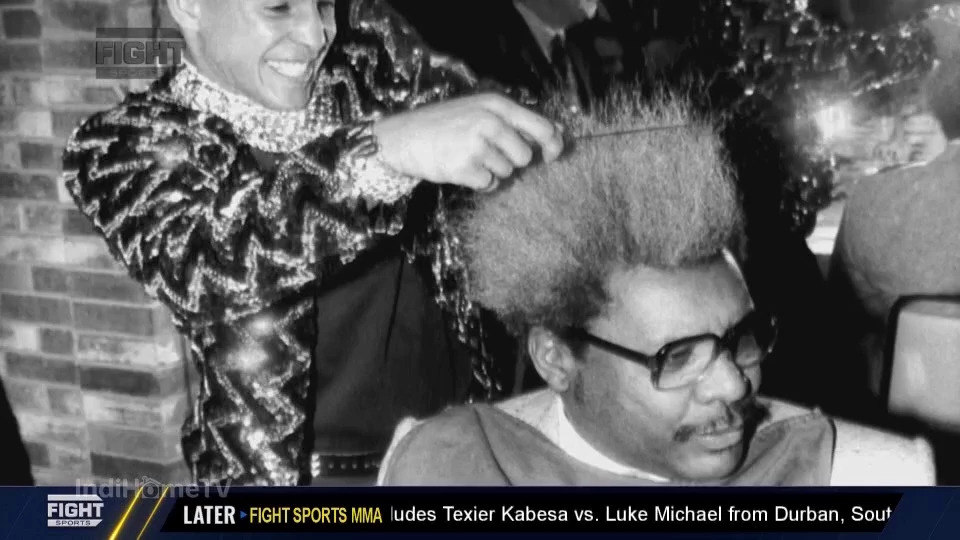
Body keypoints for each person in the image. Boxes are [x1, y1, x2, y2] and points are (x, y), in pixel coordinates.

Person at [61, 0, 562, 486]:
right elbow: (212, 262)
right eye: (278, 8)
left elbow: (499, 115)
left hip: (461, 452)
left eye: (323, 5)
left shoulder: (367, 60)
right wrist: (383, 152)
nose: (316, 34)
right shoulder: (121, 145)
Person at [377, 93, 936, 486]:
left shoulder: (871, 479)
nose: (734, 384)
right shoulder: (441, 468)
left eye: (741, 338)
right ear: (555, 358)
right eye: (679, 356)